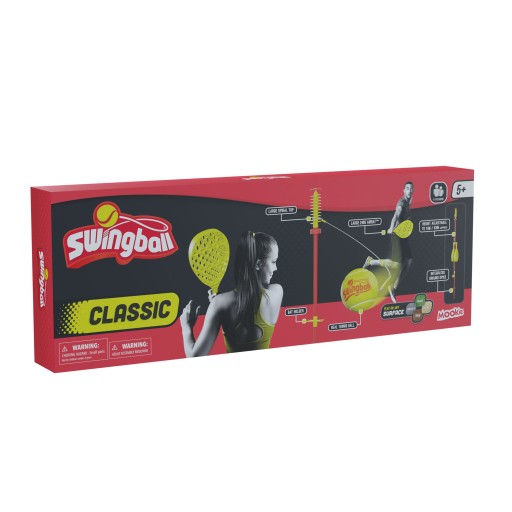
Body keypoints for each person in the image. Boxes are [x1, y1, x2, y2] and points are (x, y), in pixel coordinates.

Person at [181, 231, 283, 356]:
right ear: (257, 264)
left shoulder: (220, 304)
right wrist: (220, 302)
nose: (276, 268)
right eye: (273, 262)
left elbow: (194, 356)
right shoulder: (277, 292)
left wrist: (186, 327)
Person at [363, 181, 414, 302]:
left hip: (403, 235)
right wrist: (391, 228)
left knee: (408, 262)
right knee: (396, 265)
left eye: (411, 188)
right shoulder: (402, 203)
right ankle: (371, 262)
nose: (409, 190)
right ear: (404, 190)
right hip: (397, 235)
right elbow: (396, 216)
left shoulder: (409, 201)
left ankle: (393, 287)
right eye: (407, 188)